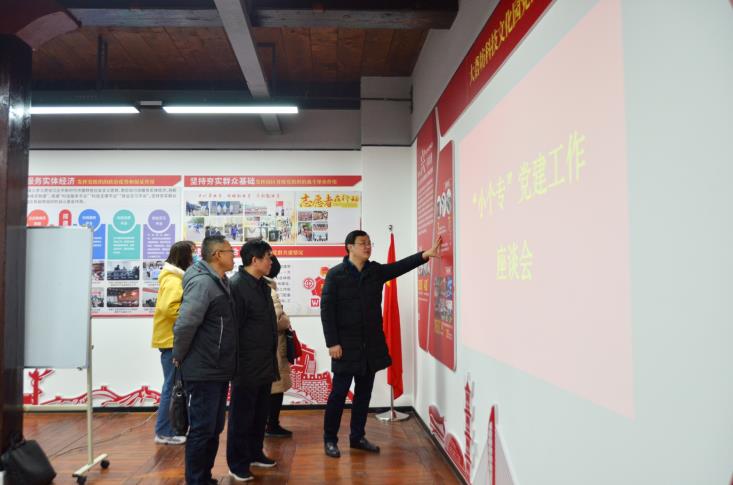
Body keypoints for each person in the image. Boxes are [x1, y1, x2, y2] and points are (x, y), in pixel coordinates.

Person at [321, 230, 442, 458]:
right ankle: (330, 439)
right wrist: (332, 343)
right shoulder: (335, 275)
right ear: (349, 247)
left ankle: (357, 437)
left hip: (370, 346)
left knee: (364, 394)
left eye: (369, 243)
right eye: (362, 243)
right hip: (345, 347)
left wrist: (424, 255)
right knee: (338, 394)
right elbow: (326, 312)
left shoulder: (375, 271)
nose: (367, 247)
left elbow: (399, 267)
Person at [173, 235, 237, 485]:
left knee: (214, 427)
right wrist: (178, 355)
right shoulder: (203, 284)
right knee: (202, 428)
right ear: (217, 255)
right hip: (203, 368)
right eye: (230, 251)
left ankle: (204, 477)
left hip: (218, 366)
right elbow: (185, 324)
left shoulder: (220, 281)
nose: (234, 256)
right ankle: (196, 480)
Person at [226, 239, 280, 482]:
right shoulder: (237, 286)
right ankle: (237, 463)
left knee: (260, 413)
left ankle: (255, 453)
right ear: (254, 260)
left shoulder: (262, 285)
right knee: (241, 416)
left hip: (264, 361)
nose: (271, 261)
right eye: (268, 257)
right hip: (246, 364)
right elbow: (233, 329)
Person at [151, 241, 197, 445]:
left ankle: (176, 428)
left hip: (174, 339)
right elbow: (169, 308)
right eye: (193, 254)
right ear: (184, 256)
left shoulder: (177, 278)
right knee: (172, 387)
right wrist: (191, 318)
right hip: (171, 341)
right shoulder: (172, 279)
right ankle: (164, 431)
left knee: (177, 386)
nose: (195, 258)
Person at [263, 255, 293, 438]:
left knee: (273, 388)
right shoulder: (269, 289)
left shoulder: (262, 286)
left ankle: (269, 424)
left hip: (269, 347)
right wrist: (286, 320)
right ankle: (271, 425)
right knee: (276, 388)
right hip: (273, 347)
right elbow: (275, 320)